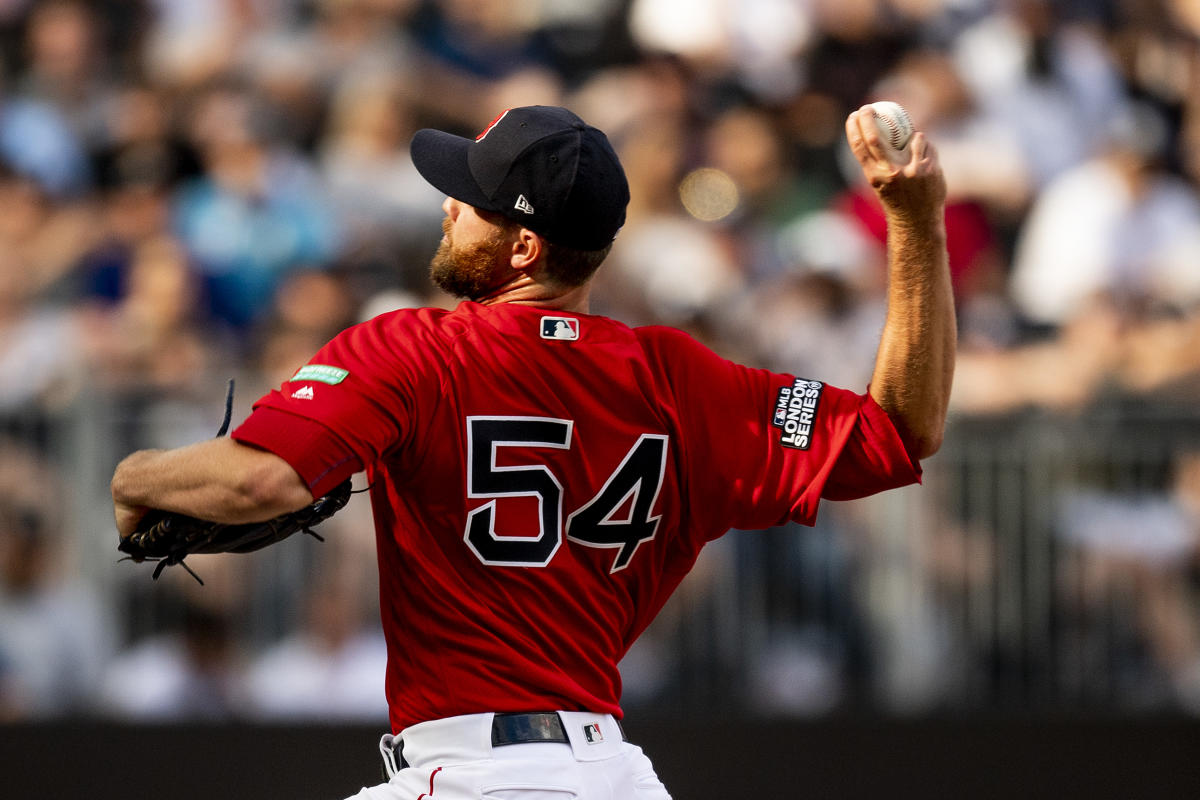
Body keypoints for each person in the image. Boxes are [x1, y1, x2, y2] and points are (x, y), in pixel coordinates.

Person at [111, 104, 954, 799]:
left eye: (469, 200)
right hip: (612, 772)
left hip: (478, 773)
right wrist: (917, 227)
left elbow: (264, 479)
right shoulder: (683, 381)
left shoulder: (414, 349)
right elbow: (898, 434)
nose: (447, 204)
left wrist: (137, 474)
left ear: (524, 246)